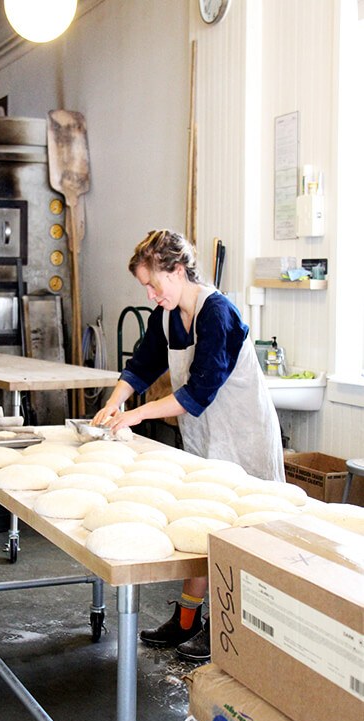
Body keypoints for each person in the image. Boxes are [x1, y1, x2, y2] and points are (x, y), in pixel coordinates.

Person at [92, 229, 284, 662]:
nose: (150, 293)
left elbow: (198, 392)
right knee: (202, 525)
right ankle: (187, 619)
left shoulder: (217, 314)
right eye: (145, 285)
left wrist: (137, 415)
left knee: (240, 535)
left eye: (154, 283)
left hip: (243, 438)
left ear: (177, 271)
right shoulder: (167, 314)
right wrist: (114, 401)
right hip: (204, 439)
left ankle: (227, 626)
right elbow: (142, 364)